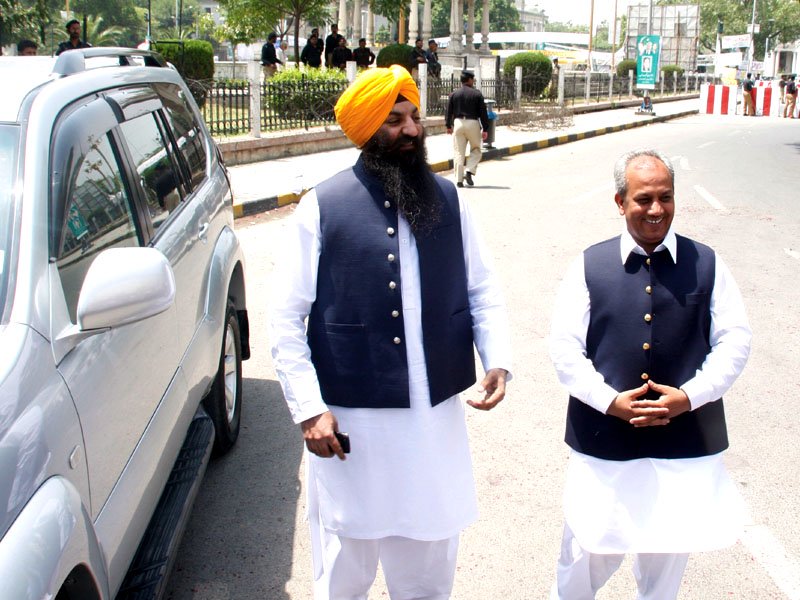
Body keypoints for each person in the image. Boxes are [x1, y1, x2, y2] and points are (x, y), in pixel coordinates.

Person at [270, 64, 512, 600]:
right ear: (366, 131)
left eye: (412, 116)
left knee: (428, 570)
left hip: (433, 425)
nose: (410, 129)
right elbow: (286, 319)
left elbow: (482, 290)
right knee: (343, 570)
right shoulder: (321, 207)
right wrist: (310, 410)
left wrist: (496, 359)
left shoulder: (450, 200)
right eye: (394, 119)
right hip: (350, 423)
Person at [548, 148, 752, 600]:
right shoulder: (588, 264)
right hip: (603, 442)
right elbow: (564, 349)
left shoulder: (708, 263)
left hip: (681, 444)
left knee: (664, 568)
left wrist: (690, 396)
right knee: (584, 556)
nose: (656, 209)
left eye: (666, 197)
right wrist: (608, 402)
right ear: (620, 202)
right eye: (643, 199)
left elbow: (735, 341)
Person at [445, 70, 489, 188]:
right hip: (473, 122)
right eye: (473, 79)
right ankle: (469, 171)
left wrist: (448, 126)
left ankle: (459, 180)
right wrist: (485, 128)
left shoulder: (454, 94)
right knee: (476, 149)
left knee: (459, 152)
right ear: (469, 80)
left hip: (458, 123)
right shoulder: (477, 94)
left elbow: (448, 111)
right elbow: (483, 113)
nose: (473, 81)